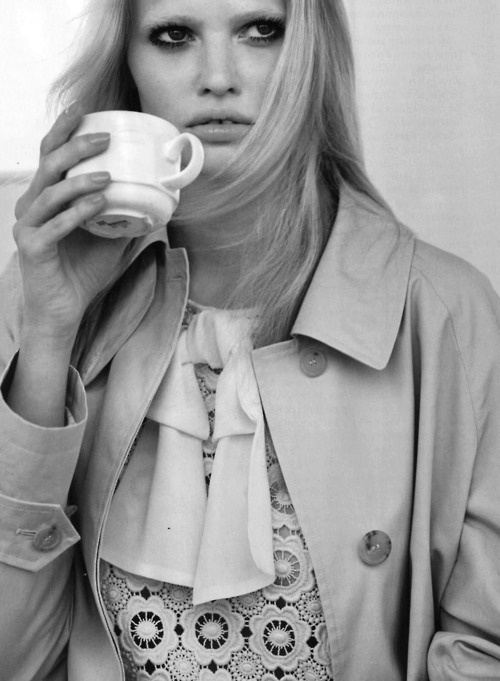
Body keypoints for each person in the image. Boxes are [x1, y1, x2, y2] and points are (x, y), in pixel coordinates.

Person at [1, 0, 499, 679]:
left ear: (312, 53)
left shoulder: (446, 313)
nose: (218, 76)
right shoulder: (44, 295)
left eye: (261, 30)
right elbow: (16, 659)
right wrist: (49, 334)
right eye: (174, 35)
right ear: (128, 65)